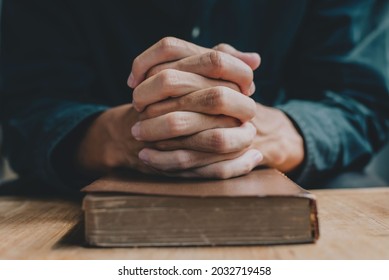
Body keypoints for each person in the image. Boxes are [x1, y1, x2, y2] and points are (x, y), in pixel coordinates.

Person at [0, 0, 388, 194]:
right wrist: (121, 134)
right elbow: (25, 106)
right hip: (80, 187)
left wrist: (258, 131)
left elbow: (360, 100)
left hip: (306, 182)